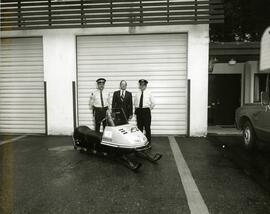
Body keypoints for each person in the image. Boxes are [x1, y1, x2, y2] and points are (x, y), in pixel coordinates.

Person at [134, 79, 155, 144]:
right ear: (139, 86)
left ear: (146, 86)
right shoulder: (137, 93)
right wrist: (137, 110)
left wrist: (148, 109)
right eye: (141, 85)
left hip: (146, 111)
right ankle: (140, 142)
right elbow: (135, 103)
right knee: (139, 127)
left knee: (147, 127)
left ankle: (148, 142)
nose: (142, 86)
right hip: (139, 111)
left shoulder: (149, 93)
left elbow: (153, 103)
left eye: (144, 85)